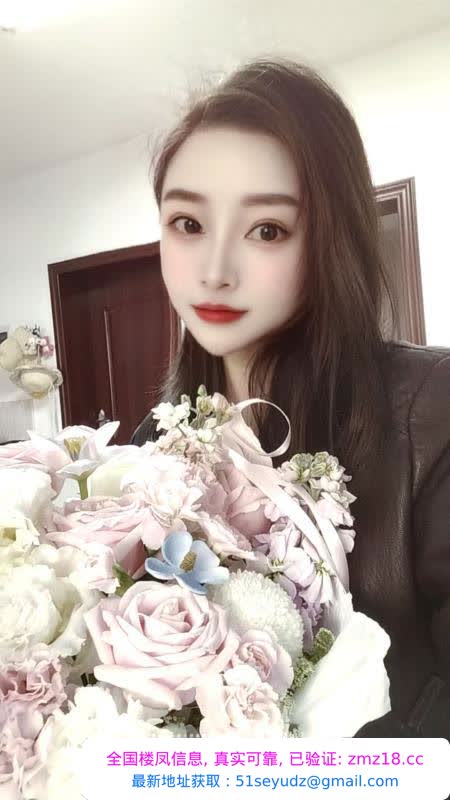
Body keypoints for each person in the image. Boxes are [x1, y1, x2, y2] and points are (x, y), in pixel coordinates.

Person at [132, 57, 450, 738]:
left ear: (329, 240)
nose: (214, 271)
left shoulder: (430, 412)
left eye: (267, 230)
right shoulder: (147, 448)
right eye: (187, 223)